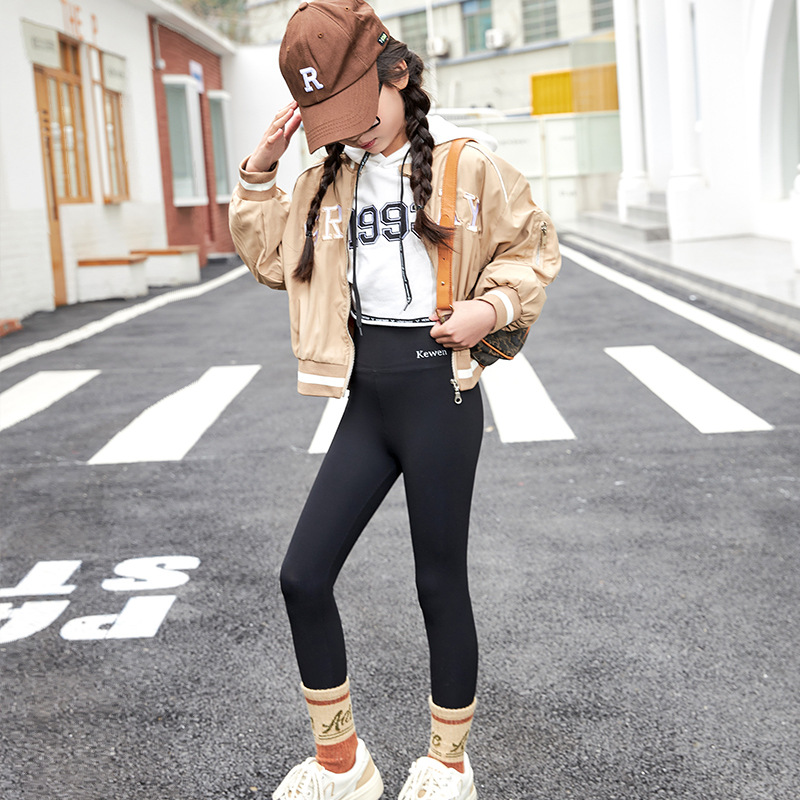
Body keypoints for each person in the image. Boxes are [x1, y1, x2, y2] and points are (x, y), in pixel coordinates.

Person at [229, 2, 561, 798]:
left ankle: (447, 763)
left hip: (438, 391)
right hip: (367, 396)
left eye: (355, 107)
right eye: (330, 117)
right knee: (302, 576)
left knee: (438, 582)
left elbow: (532, 249)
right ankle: (342, 764)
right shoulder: (326, 175)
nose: (349, 130)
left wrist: (490, 310)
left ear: (399, 74)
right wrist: (258, 173)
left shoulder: (467, 162)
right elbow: (273, 261)